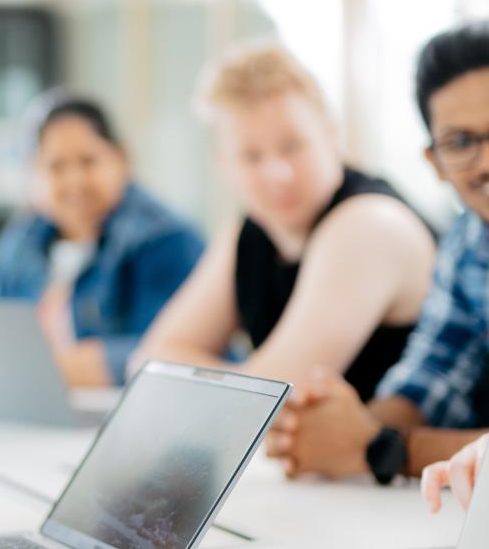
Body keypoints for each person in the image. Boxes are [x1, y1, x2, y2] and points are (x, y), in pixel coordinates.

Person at [265, 20, 489, 483]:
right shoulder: (467, 246)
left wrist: (383, 449)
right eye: (460, 143)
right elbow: (429, 379)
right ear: (436, 163)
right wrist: (331, 427)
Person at [130, 43, 435, 402]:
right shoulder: (252, 230)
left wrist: (201, 377)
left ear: (331, 136)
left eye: (293, 146)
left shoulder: (369, 223)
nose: (278, 174)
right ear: (222, 165)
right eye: (251, 156)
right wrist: (244, 379)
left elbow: (267, 399)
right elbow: (146, 365)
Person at [0, 95, 204, 387]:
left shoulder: (165, 239)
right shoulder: (21, 241)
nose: (75, 180)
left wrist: (47, 367)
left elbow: (175, 355)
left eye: (88, 161)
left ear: (122, 158)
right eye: (56, 166)